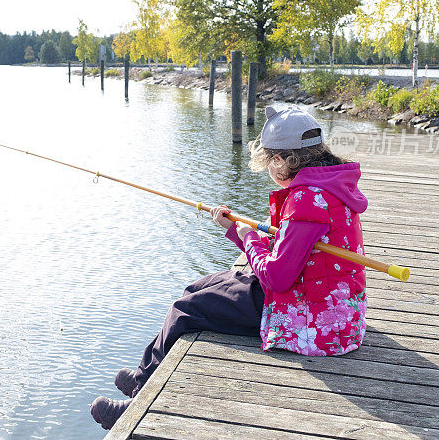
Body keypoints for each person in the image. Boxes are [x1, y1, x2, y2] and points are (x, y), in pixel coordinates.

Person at [89, 106, 368, 430]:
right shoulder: (330, 184)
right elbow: (289, 252)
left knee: (186, 309)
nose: (268, 168)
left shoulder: (308, 200)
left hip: (318, 319)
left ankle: (137, 400)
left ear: (280, 161)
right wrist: (237, 229)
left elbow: (277, 277)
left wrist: (249, 237)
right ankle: (144, 372)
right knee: (197, 288)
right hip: (324, 298)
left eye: (269, 161)